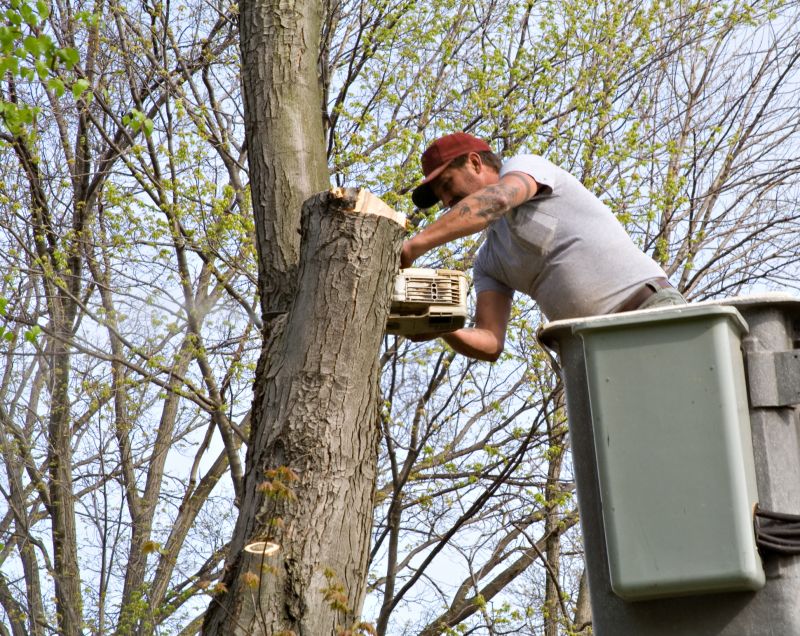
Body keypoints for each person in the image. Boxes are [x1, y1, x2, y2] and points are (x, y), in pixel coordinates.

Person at [400, 131, 686, 361]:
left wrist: (414, 246)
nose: (448, 201)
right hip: (594, 353)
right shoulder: (489, 261)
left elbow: (498, 200)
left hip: (649, 313)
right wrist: (439, 324)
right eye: (441, 198)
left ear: (475, 163)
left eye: (448, 185)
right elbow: (489, 341)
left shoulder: (525, 167)